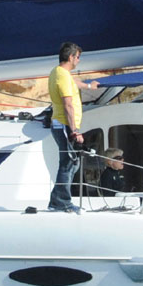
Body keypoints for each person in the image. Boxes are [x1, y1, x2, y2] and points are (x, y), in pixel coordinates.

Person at [47, 42, 98, 213]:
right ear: (71, 57)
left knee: (72, 163)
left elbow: (74, 82)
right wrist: (75, 131)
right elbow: (68, 104)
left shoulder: (60, 72)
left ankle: (57, 199)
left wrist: (89, 86)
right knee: (68, 163)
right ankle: (62, 202)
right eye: (78, 57)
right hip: (64, 125)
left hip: (62, 124)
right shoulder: (62, 75)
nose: (79, 60)